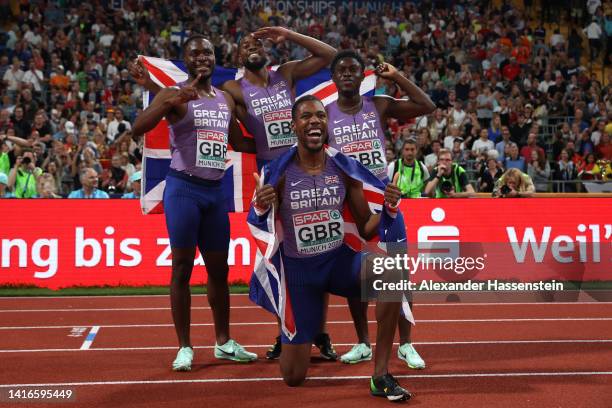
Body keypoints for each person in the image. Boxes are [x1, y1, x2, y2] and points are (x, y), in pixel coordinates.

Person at [252, 95, 411, 401]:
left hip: (337, 261)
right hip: (299, 274)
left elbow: (365, 225)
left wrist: (388, 211)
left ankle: (380, 375)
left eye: (320, 116)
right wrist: (262, 206)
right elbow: (264, 225)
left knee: (392, 273)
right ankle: (297, 331)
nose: (314, 121)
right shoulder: (279, 174)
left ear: (327, 126)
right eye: (306, 116)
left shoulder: (344, 169)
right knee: (293, 377)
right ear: (294, 125)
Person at [132, 35, 257, 371]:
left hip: (215, 194)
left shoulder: (225, 99)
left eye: (208, 52)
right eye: (195, 53)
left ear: (215, 58)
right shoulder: (175, 94)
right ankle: (185, 347)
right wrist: (165, 101)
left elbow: (239, 142)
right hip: (184, 190)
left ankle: (224, 342)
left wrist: (277, 142)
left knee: (220, 271)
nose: (203, 57)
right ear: (186, 59)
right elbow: (137, 128)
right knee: (182, 269)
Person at [326, 50, 435, 368]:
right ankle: (362, 342)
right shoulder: (325, 113)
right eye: (341, 70)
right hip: (347, 202)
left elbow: (427, 106)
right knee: (354, 276)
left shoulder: (380, 104)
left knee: (397, 274)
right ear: (334, 78)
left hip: (385, 198)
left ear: (363, 77)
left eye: (353, 70)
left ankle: (406, 344)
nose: (347, 74)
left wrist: (396, 76)